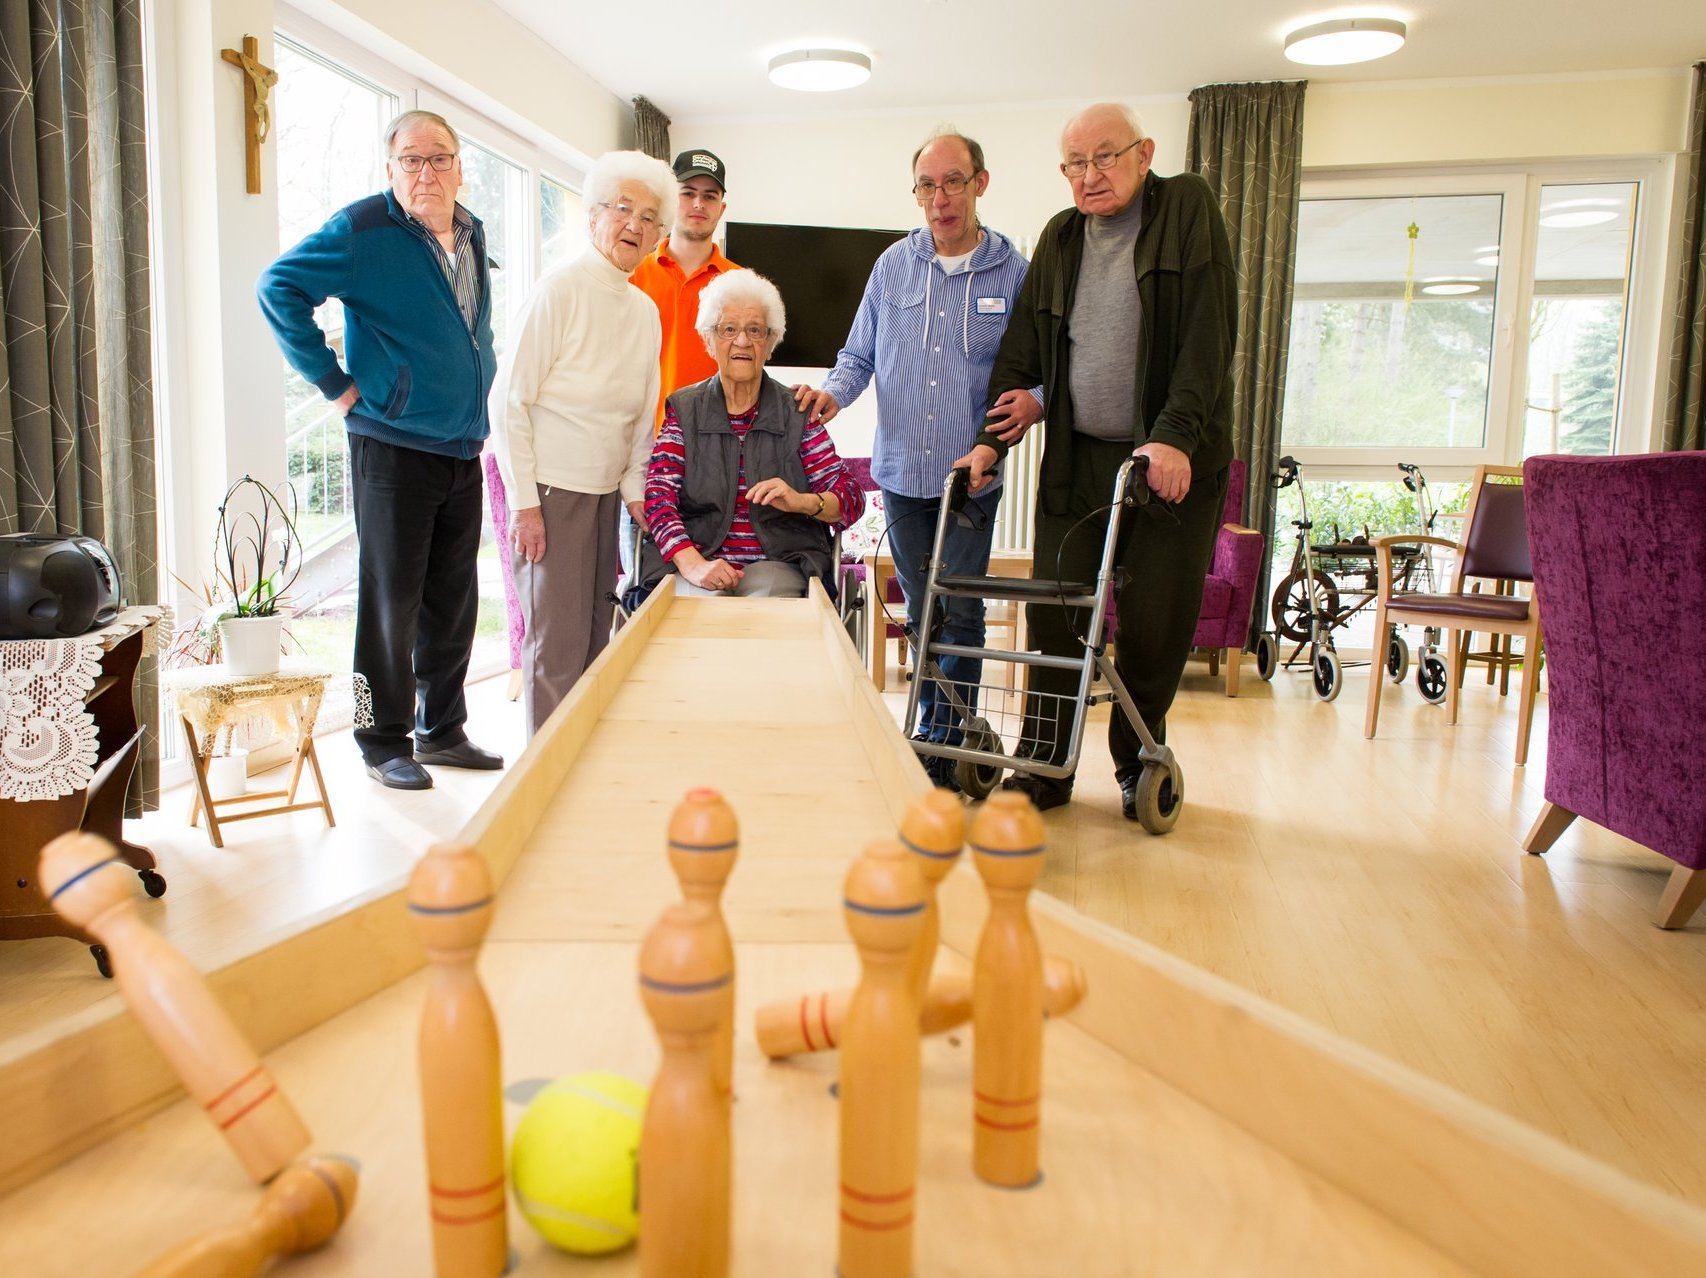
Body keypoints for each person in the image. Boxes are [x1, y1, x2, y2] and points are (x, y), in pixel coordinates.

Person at [954, 102, 1236, 819]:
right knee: (1055, 612)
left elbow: (1209, 333)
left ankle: (1137, 762)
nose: (1090, 175)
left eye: (1105, 157)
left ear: (1144, 154)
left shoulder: (1187, 208)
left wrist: (1174, 434)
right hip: (1078, 458)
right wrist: (991, 439)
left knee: (1152, 622)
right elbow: (1022, 350)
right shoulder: (1060, 236)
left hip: (1169, 458)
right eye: (1076, 164)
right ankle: (1047, 768)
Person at [257, 110, 503, 791]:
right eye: (410, 160)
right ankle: (378, 738)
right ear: (389, 169)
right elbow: (278, 288)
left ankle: (442, 729)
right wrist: (336, 384)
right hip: (392, 445)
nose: (426, 172)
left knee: (452, 600)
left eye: (439, 158)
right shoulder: (363, 229)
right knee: (388, 600)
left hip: (461, 445)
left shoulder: (472, 231)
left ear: (460, 166)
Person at [794, 130, 1037, 790]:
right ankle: (936, 734)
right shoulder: (891, 268)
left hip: (972, 480)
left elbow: (1038, 369)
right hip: (901, 474)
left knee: (959, 610)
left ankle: (945, 739)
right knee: (924, 609)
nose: (940, 198)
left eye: (953, 181)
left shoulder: (1013, 274)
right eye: (927, 186)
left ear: (980, 183)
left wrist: (1034, 403)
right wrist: (831, 397)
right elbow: (858, 358)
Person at [487, 150, 674, 737]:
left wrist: (637, 489)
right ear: (593, 215)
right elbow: (507, 400)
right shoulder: (559, 289)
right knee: (556, 648)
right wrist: (524, 503)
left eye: (649, 217)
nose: (635, 226)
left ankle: (582, 770)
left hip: (603, 496)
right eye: (622, 209)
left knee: (597, 637)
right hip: (551, 491)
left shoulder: (643, 310)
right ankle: (541, 787)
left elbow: (643, 414)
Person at [640, 271, 864, 599]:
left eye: (755, 330)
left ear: (770, 344)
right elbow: (659, 498)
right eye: (728, 329)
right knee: (702, 611)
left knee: (763, 608)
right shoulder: (685, 410)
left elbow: (851, 498)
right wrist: (692, 563)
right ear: (709, 340)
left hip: (779, 562)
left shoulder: (798, 412)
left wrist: (801, 502)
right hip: (697, 559)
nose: (742, 341)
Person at [626, 149, 741, 571]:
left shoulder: (738, 284)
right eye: (688, 192)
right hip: (641, 451)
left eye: (709, 196)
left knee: (713, 581)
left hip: (714, 456)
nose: (698, 204)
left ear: (721, 208)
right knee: (647, 584)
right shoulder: (634, 273)